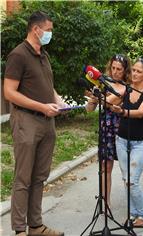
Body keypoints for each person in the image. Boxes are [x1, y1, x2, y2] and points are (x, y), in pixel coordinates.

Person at [3, 11, 65, 236]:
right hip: (26, 121)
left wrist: (58, 100)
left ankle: (36, 226)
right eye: (48, 30)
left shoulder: (43, 55)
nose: (50, 34)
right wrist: (41, 106)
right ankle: (20, 230)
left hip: (47, 122)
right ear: (36, 29)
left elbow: (47, 84)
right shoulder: (18, 55)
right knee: (23, 178)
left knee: (40, 176)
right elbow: (9, 93)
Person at [113, 58, 143, 226]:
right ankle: (133, 214)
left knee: (133, 180)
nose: (134, 74)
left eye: (139, 71)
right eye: (133, 70)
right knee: (126, 179)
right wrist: (97, 97)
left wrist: (122, 111)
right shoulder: (126, 89)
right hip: (122, 140)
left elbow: (141, 112)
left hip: (141, 142)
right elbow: (112, 101)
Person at [85, 54, 131, 205]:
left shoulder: (124, 87)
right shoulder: (103, 84)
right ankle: (105, 202)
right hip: (106, 128)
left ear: (125, 71)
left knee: (126, 168)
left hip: (121, 129)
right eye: (113, 68)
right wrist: (93, 98)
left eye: (119, 69)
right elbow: (89, 109)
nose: (115, 72)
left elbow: (109, 102)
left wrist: (96, 96)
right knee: (105, 166)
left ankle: (134, 207)